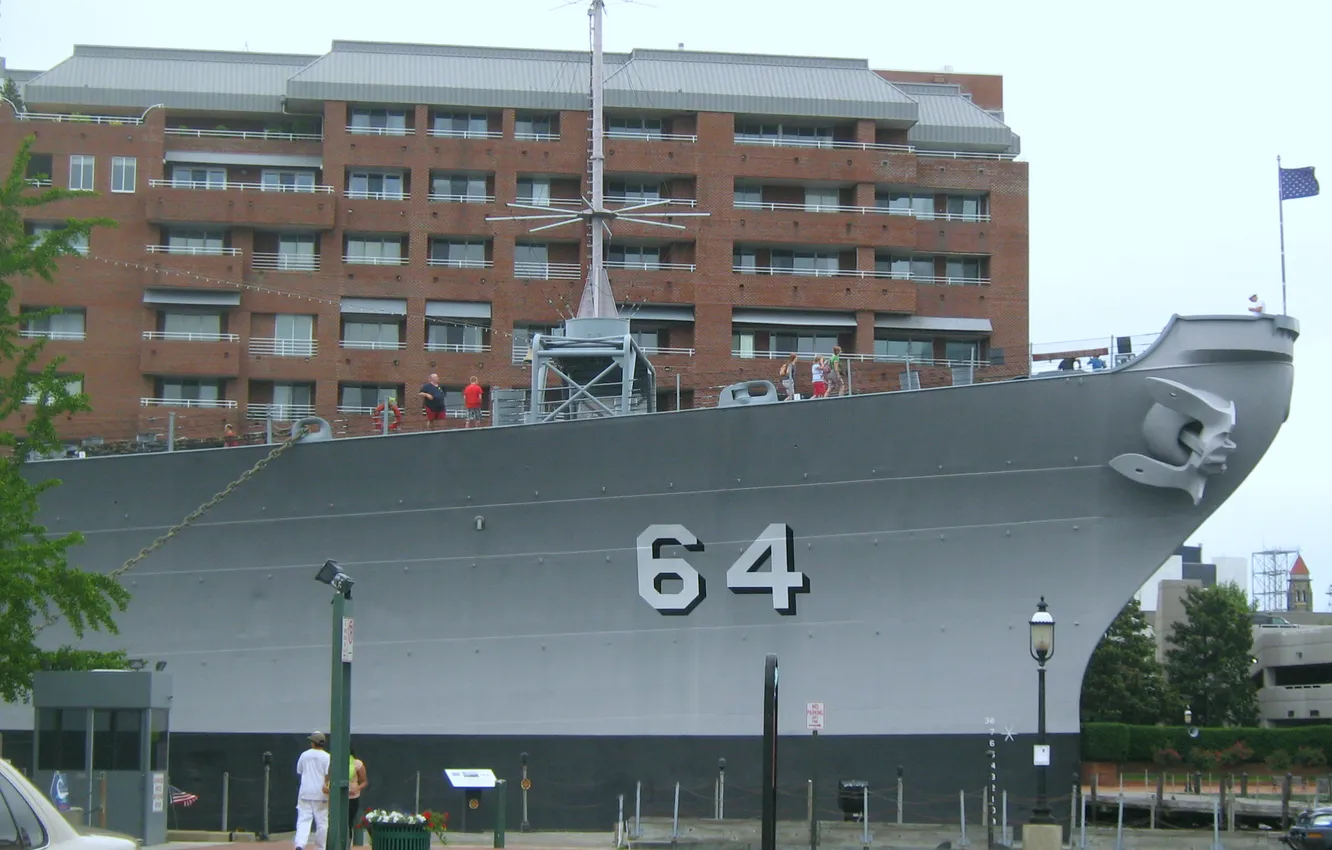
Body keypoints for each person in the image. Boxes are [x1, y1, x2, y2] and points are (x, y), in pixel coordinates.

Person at [295, 731, 331, 850]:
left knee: (303, 819)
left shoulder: (304, 755)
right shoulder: (327, 757)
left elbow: (299, 771)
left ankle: (300, 844)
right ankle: (320, 847)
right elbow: (328, 775)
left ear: (312, 742)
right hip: (321, 794)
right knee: (322, 822)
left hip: (305, 792)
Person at [347, 745, 368, 848]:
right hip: (339, 797)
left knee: (349, 821)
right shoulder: (335, 762)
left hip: (352, 797)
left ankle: (348, 844)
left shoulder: (357, 764)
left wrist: (358, 788)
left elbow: (364, 781)